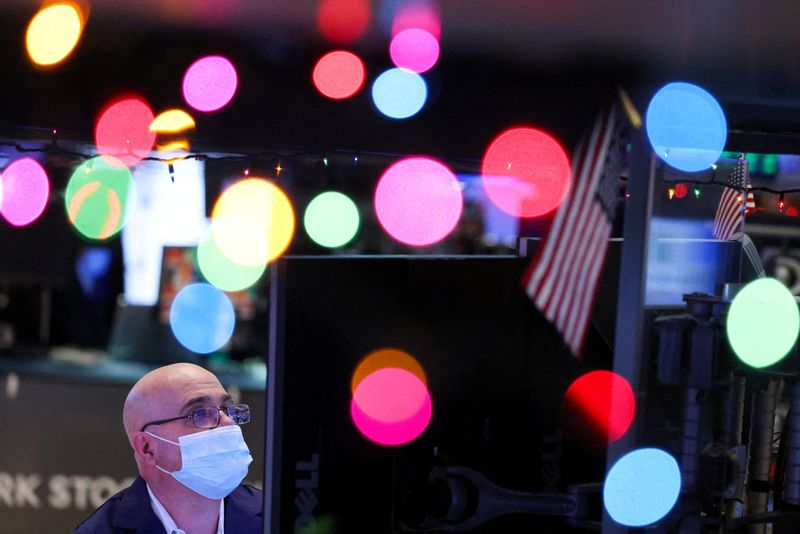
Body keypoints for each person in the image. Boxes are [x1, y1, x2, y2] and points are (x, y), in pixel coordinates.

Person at [74, 363, 263, 533]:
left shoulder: (273, 517)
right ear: (147, 448)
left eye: (227, 409)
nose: (228, 423)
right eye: (199, 414)